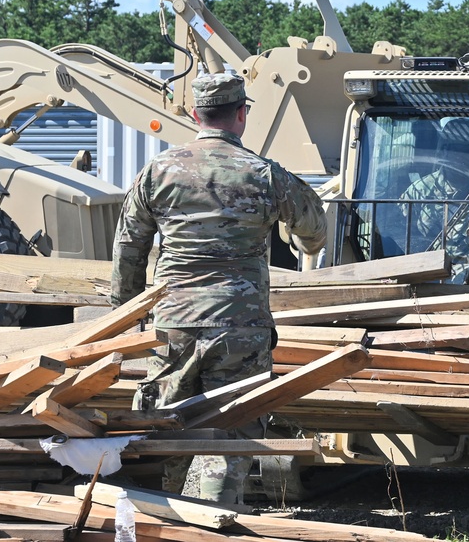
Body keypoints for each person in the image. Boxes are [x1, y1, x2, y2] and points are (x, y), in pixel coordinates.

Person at [110, 73, 327, 505]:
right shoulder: (265, 175)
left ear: (195, 115)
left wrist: (126, 318)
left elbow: (128, 249)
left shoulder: (158, 171)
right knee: (233, 432)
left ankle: (162, 521)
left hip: (172, 325)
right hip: (240, 327)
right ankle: (214, 519)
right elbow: (315, 228)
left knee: (164, 427)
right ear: (241, 114)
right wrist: (298, 240)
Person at [399, 118, 469, 283]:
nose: (463, 157)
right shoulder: (420, 190)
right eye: (457, 150)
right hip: (426, 272)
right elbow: (398, 235)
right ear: (444, 151)